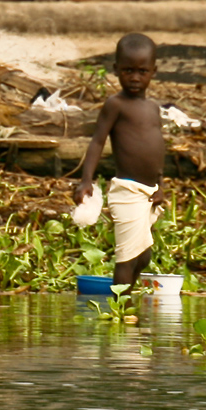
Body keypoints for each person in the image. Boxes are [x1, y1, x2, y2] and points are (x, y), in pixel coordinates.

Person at [74, 33, 166, 293]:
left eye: (142, 71)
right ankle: (120, 312)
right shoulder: (115, 105)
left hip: (148, 193)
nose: (135, 77)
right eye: (128, 70)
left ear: (153, 72)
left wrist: (160, 185)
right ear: (115, 70)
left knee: (144, 255)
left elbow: (158, 148)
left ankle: (123, 299)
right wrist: (86, 181)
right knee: (127, 257)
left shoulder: (153, 108)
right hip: (127, 191)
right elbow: (97, 142)